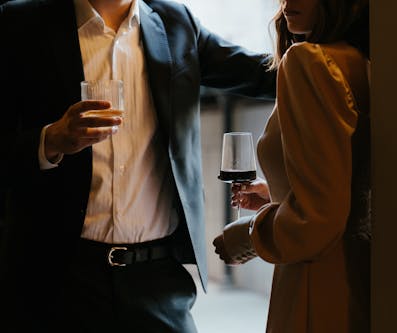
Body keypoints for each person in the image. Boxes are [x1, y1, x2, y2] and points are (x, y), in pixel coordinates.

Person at [0, 0, 275, 332]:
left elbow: (264, 75)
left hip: (158, 282)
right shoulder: (20, 22)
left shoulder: (176, 22)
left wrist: (336, 48)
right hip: (57, 278)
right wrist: (51, 140)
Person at [213, 0, 370, 332]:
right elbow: (349, 177)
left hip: (318, 278)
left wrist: (247, 236)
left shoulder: (308, 61)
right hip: (363, 276)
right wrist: (278, 195)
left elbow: (318, 220)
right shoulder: (363, 61)